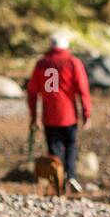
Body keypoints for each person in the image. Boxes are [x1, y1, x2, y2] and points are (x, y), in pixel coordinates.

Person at [26, 32, 91, 194]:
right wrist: (86, 113)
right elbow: (83, 90)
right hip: (68, 115)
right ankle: (71, 176)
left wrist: (34, 116)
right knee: (70, 146)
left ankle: (58, 182)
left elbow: (32, 92)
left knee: (54, 152)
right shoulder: (72, 62)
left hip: (49, 116)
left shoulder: (41, 64)